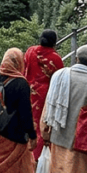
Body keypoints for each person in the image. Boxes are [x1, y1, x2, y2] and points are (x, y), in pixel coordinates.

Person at [23, 30, 64, 160]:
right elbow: (60, 80)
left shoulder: (30, 51)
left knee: (27, 121)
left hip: (27, 91)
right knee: (41, 125)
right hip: (45, 95)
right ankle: (37, 155)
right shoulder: (55, 58)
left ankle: (25, 152)